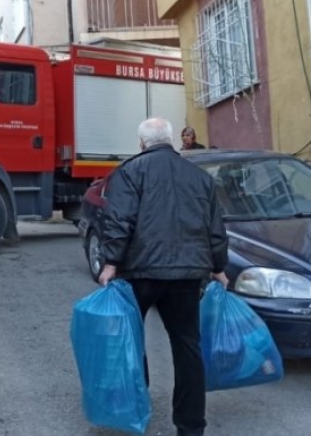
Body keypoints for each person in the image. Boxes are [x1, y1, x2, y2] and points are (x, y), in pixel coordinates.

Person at [98, 117, 229, 436]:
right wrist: (219, 267)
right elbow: (215, 228)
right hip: (187, 275)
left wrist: (111, 262)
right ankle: (191, 426)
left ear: (142, 143)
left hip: (140, 273)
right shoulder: (200, 177)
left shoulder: (130, 172)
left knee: (131, 342)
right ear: (171, 141)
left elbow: (119, 220)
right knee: (187, 346)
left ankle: (133, 414)